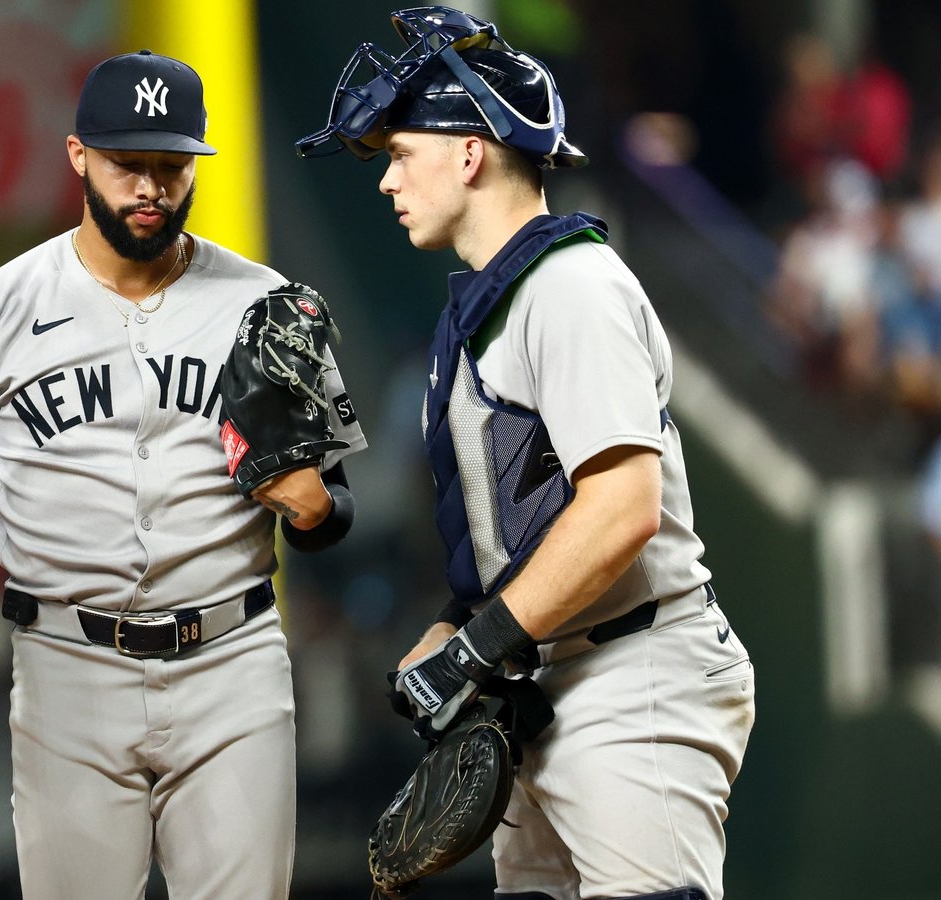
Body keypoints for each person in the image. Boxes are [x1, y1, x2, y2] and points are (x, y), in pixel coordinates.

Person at [299, 8, 755, 900]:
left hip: (633, 676)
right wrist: (457, 619)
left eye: (401, 152)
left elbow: (624, 509)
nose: (388, 180)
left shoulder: (571, 286)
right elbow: (527, 519)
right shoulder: (487, 309)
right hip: (546, 679)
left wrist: (473, 648)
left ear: (469, 151)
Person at [0, 50, 367, 899]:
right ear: (79, 155)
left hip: (231, 665)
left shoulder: (265, 304)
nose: (151, 188)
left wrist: (312, 512)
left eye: (170, 166)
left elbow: (336, 509)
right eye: (130, 165)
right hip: (64, 669)